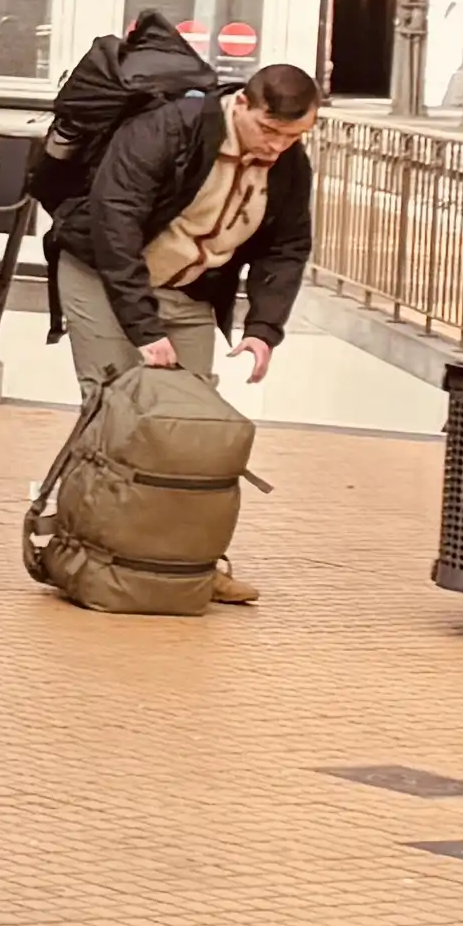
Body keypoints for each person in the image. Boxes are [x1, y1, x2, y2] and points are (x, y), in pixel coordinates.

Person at [51, 36, 321, 601]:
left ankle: (189, 562)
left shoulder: (289, 163)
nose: (277, 147)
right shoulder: (167, 130)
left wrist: (263, 330)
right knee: (109, 412)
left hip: (189, 290)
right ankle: (83, 553)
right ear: (242, 105)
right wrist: (144, 331)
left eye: (294, 136)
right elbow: (114, 224)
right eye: (269, 130)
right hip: (103, 276)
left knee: (193, 435)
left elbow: (287, 246)